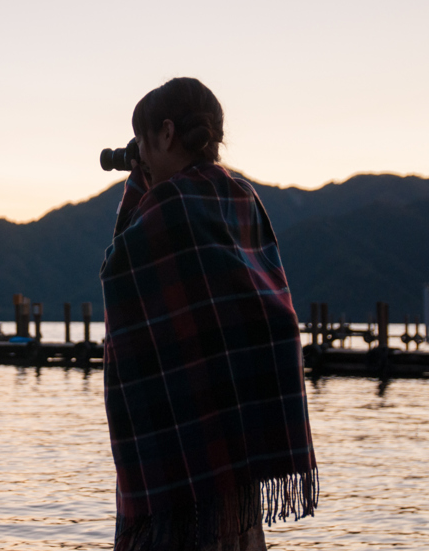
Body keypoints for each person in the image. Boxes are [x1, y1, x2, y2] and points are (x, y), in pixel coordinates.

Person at [100, 78, 318, 551]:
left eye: (142, 140)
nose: (139, 152)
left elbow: (119, 270)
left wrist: (138, 188)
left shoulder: (168, 207)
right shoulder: (241, 197)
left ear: (166, 133)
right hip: (235, 444)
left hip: (179, 456)